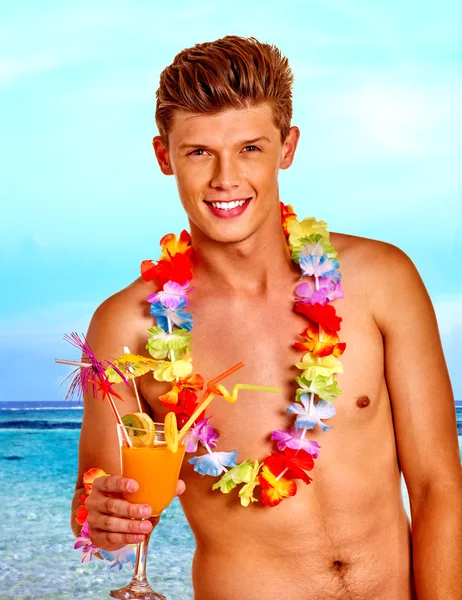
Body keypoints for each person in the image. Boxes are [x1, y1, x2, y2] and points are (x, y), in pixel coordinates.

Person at [72, 35, 461, 599]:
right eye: (199, 152)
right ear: (164, 157)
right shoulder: (125, 327)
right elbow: (96, 505)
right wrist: (101, 517)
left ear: (287, 147)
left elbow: (437, 487)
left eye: (250, 148)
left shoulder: (382, 279)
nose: (226, 178)